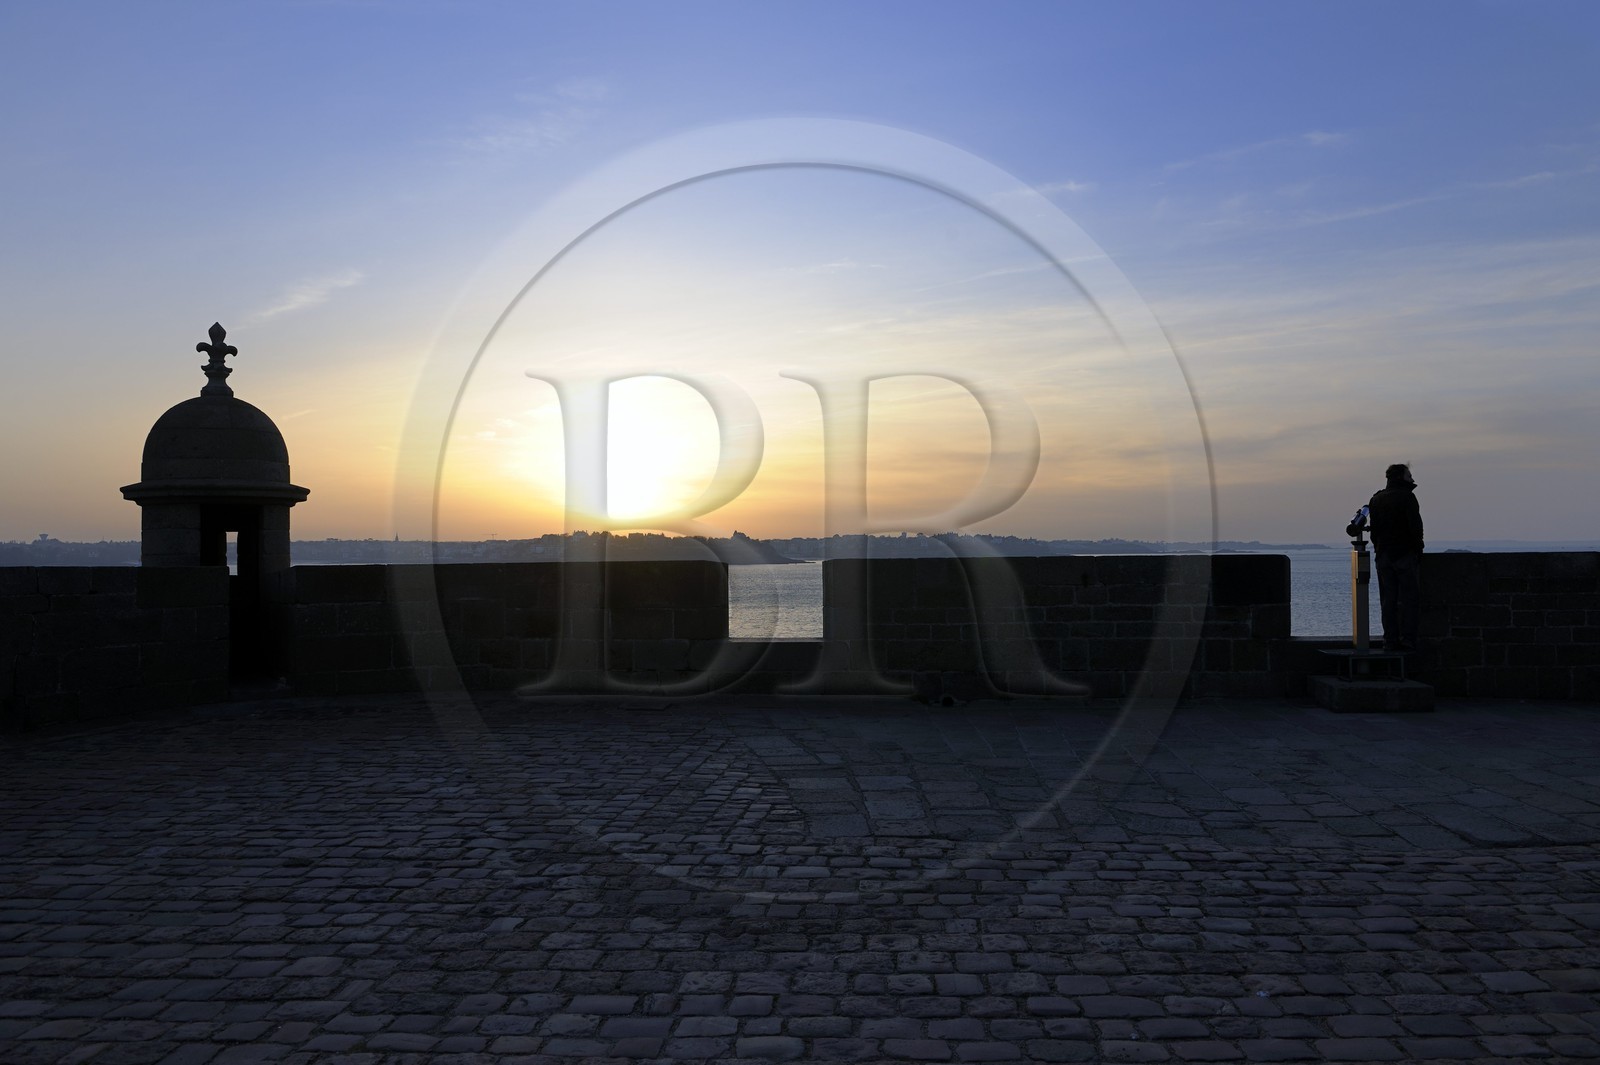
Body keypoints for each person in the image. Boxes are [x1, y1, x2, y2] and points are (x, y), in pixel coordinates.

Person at [1367, 462, 1423, 651]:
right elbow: (1415, 528)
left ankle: (1389, 640)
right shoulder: (1408, 497)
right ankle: (1408, 639)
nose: (1412, 479)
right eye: (1409, 476)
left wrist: (1379, 549)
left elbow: (1374, 532)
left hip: (1383, 555)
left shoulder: (1376, 499)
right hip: (1404, 555)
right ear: (1400, 478)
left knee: (1388, 600)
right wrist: (1417, 550)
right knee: (1410, 600)